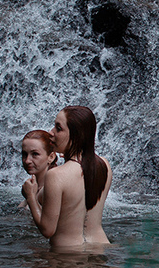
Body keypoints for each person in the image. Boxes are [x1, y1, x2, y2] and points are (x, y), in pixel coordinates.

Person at [24, 106, 111, 248]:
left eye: (58, 128)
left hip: (67, 254)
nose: (51, 132)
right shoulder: (104, 165)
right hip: (100, 248)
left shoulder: (56, 175)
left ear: (76, 135)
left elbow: (47, 230)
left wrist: (31, 197)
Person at [18, 129, 58, 210]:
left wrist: (30, 197)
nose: (27, 161)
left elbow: (49, 219)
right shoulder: (32, 188)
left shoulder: (51, 189)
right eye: (24, 154)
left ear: (51, 157)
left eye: (35, 154)